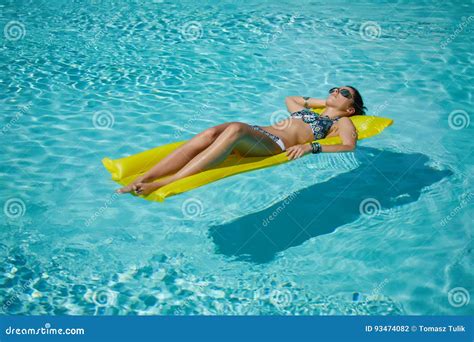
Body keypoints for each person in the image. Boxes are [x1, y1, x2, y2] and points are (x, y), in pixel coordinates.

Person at [117, 85, 366, 195]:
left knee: (236, 128)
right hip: (258, 133)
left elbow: (348, 145)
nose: (335, 92)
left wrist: (310, 147)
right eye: (334, 88)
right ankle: (144, 178)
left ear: (351, 108)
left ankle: (164, 183)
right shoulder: (310, 112)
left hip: (275, 145)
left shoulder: (340, 122)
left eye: (344, 93)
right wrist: (328, 102)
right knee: (210, 133)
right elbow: (293, 99)